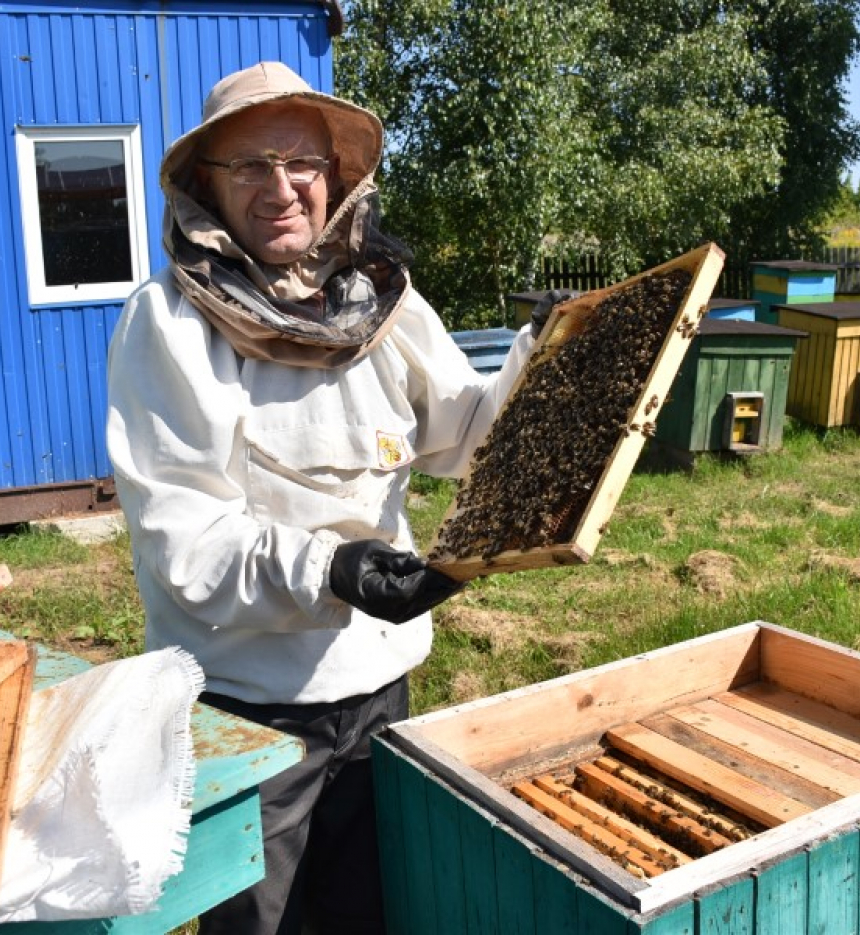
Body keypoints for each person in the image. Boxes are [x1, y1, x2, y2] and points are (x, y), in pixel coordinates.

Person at [106, 61, 536, 934]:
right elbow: (182, 537)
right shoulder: (168, 325)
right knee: (263, 926)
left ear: (336, 179)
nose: (282, 188)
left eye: (302, 163)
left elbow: (464, 434)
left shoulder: (382, 304)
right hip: (247, 708)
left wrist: (546, 357)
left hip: (382, 687)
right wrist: (331, 567)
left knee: (375, 910)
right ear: (205, 189)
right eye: (251, 166)